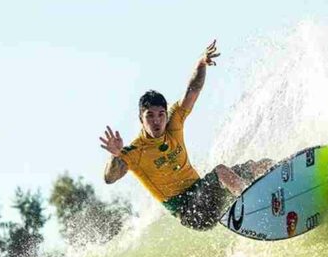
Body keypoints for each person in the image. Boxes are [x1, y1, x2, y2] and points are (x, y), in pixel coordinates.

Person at [99, 40, 272, 231]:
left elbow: (193, 90)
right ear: (141, 119)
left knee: (260, 166)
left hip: (205, 194)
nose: (157, 121)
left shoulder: (174, 124)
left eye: (161, 115)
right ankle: (258, 206)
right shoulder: (134, 151)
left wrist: (201, 63)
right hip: (190, 212)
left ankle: (281, 185)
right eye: (150, 116)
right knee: (221, 171)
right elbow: (110, 178)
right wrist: (115, 155)